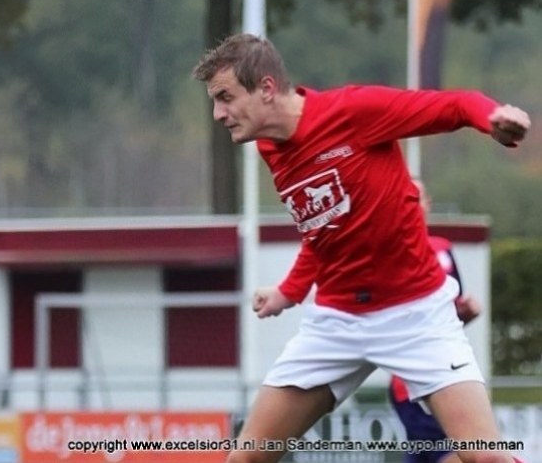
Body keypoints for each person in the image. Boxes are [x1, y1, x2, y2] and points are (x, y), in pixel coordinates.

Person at [192, 33, 530, 463]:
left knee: (487, 457)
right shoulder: (269, 148)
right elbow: (325, 230)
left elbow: (456, 104)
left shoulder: (352, 111)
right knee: (244, 458)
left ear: (266, 88)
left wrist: (493, 118)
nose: (218, 114)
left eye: (225, 97)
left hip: (417, 315)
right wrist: (288, 292)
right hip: (336, 323)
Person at [388, 179, 482, 463]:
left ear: (429, 203)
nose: (413, 206)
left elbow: (450, 314)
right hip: (412, 379)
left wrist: (465, 313)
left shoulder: (442, 248)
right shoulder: (387, 255)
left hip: (448, 370)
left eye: (419, 198)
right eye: (405, 199)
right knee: (459, 454)